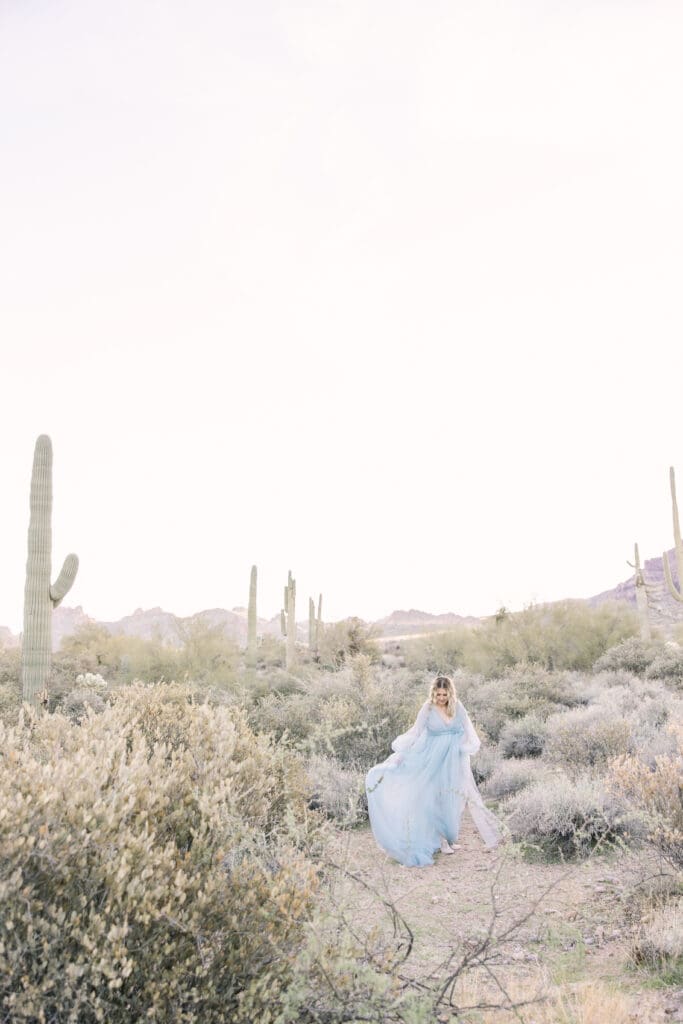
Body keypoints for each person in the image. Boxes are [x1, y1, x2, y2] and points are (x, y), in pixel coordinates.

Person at [365, 675, 501, 867]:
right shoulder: (428, 708)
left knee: (453, 797)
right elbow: (416, 731)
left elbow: (469, 730)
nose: (441, 698)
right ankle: (441, 841)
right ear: (433, 693)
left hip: (454, 759)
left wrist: (467, 747)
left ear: (450, 693)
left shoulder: (458, 707)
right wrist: (402, 754)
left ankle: (448, 837)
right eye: (438, 694)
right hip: (431, 759)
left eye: (444, 694)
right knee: (435, 797)